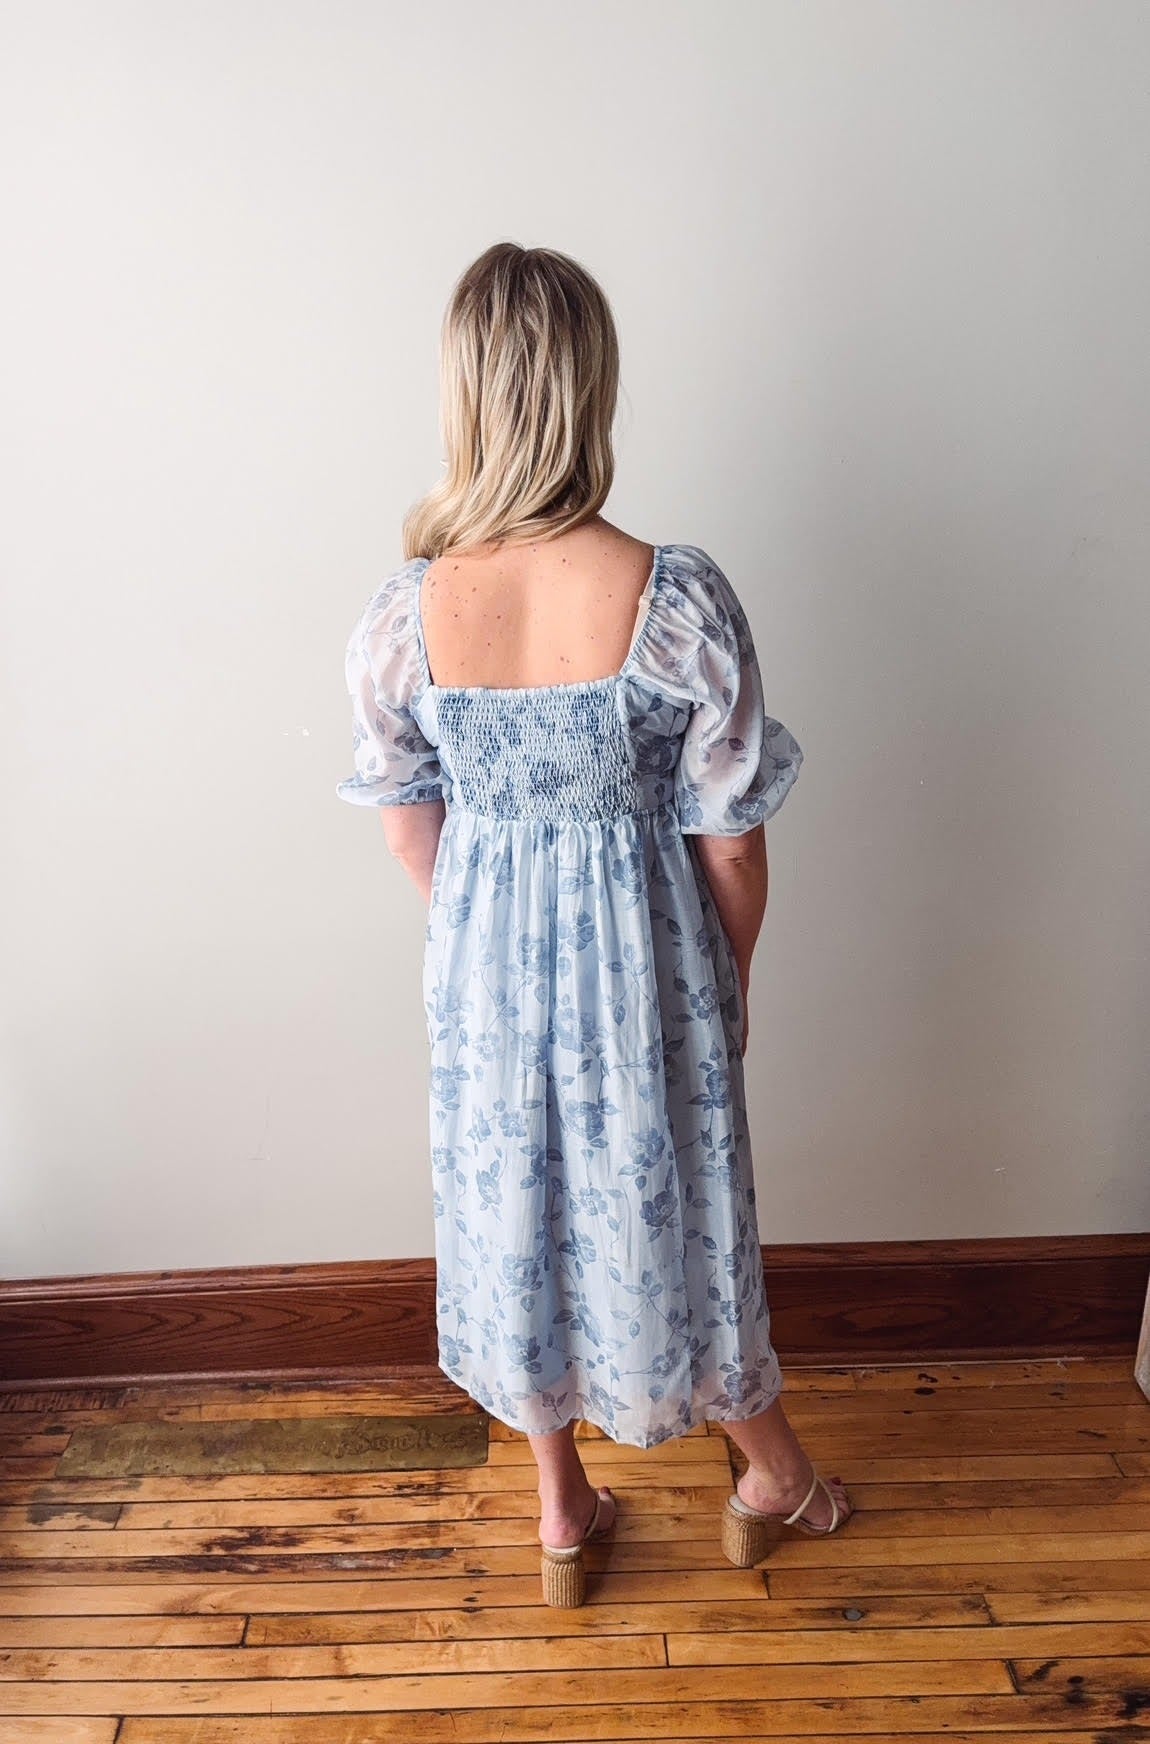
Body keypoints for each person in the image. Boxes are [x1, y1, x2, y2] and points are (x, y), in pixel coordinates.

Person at [337, 241, 853, 1606]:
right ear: (591, 388)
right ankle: (770, 1475)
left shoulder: (404, 612)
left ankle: (564, 1512)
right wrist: (718, 985)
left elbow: (407, 821)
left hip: (481, 970)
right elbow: (729, 835)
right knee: (675, 1217)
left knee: (518, 1215)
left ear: (467, 394)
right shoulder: (673, 596)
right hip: (651, 972)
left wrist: (482, 959)